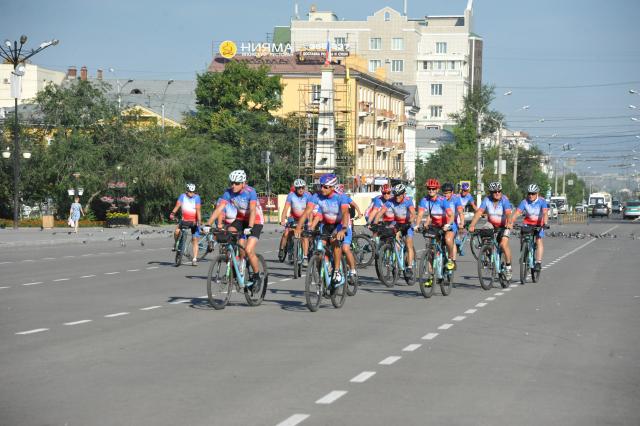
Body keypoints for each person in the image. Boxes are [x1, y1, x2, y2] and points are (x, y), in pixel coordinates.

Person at [207, 170, 264, 287]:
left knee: (248, 250)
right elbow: (219, 209)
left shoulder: (250, 192)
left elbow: (253, 210)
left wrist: (250, 226)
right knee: (228, 234)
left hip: (256, 221)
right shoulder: (228, 192)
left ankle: (257, 276)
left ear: (243, 183)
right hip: (240, 219)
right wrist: (208, 224)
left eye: (237, 183)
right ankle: (235, 265)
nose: (233, 185)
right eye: (232, 183)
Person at [295, 173, 351, 284]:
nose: (322, 189)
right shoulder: (316, 196)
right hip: (326, 224)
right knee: (320, 247)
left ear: (332, 187)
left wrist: (343, 229)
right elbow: (307, 211)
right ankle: (324, 267)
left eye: (325, 187)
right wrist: (298, 227)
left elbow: (345, 213)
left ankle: (336, 271)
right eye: (321, 186)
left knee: (334, 241)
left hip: (339, 224)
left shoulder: (340, 197)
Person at [468, 181, 514, 280]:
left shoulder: (504, 200)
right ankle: (488, 255)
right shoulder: (487, 200)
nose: (497, 193)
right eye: (494, 192)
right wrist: (472, 224)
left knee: (503, 244)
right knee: (484, 231)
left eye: (499, 191)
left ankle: (508, 267)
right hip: (492, 224)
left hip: (504, 225)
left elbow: (508, 213)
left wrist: (509, 222)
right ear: (490, 193)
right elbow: (479, 212)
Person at [372, 183, 416, 279]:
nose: (397, 198)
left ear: (404, 194)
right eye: (395, 195)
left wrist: (410, 222)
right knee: (391, 236)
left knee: (408, 243)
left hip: (407, 224)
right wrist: (375, 224)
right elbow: (380, 213)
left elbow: (413, 214)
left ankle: (409, 267)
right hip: (397, 223)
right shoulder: (390, 201)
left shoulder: (408, 201)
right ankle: (394, 258)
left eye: (399, 195)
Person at [415, 179, 456, 270]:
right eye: (429, 188)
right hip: (435, 225)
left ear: (437, 190)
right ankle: (431, 275)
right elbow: (420, 214)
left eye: (433, 189)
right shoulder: (424, 200)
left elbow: (451, 214)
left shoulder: (442, 200)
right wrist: (417, 225)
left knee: (448, 239)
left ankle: (450, 259)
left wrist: (448, 224)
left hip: (447, 224)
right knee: (431, 249)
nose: (431, 190)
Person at [510, 184, 549, 271]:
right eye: (529, 193)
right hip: (528, 223)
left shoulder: (542, 201)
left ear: (537, 193)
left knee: (539, 240)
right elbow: (517, 213)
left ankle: (538, 262)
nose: (530, 195)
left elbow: (545, 213)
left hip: (539, 224)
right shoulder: (524, 202)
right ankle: (524, 252)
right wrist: (511, 222)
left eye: (533, 193)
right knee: (523, 236)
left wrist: (545, 223)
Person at [279, 178, 312, 266]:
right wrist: (282, 220)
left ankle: (305, 257)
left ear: (304, 188)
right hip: (293, 217)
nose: (300, 190)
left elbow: (310, 210)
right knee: (286, 232)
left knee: (304, 236)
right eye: (298, 188)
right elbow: (286, 208)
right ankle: (282, 249)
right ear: (295, 188)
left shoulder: (308, 195)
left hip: (304, 218)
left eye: (302, 188)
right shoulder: (291, 195)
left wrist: (310, 222)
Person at [169, 183, 202, 266]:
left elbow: (198, 210)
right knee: (177, 231)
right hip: (184, 220)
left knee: (195, 239)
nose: (192, 193)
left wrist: (199, 221)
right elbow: (177, 205)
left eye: (193, 192)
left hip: (194, 221)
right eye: (190, 192)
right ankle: (176, 242)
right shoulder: (182, 196)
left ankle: (194, 259)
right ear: (187, 191)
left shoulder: (197, 197)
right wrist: (173, 213)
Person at [335, 184, 362, 280]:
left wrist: (359, 212)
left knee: (346, 248)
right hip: (335, 227)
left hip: (345, 226)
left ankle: (353, 271)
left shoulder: (344, 198)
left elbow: (353, 204)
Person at [441, 182, 464, 266]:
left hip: (452, 222)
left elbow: (461, 212)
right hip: (441, 222)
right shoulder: (440, 199)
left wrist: (461, 222)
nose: (445, 195)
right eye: (444, 193)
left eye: (447, 193)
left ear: (452, 192)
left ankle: (453, 260)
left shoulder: (456, 199)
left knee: (450, 240)